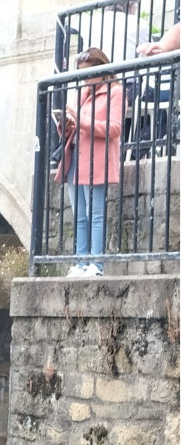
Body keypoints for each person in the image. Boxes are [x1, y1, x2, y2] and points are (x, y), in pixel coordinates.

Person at [56, 46, 123, 274]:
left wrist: (80, 120)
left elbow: (114, 129)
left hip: (97, 159)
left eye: (88, 72)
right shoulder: (81, 94)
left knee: (95, 214)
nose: (85, 78)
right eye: (81, 73)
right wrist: (64, 125)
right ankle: (81, 261)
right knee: (78, 214)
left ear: (101, 69)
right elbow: (76, 127)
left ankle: (96, 263)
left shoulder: (115, 91)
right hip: (76, 156)